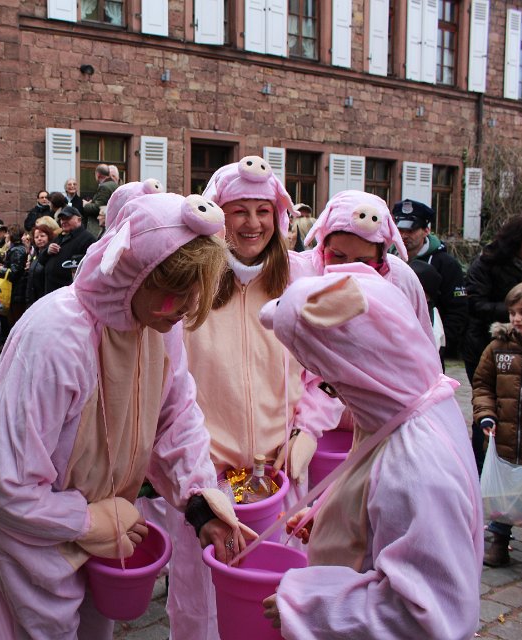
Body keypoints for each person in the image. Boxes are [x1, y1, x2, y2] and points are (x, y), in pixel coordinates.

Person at [0, 192, 255, 638]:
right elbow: (3, 484)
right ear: (132, 273)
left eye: (195, 291)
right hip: (35, 540)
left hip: (106, 531)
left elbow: (177, 416)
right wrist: (86, 520)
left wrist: (202, 503)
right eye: (176, 292)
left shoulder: (158, 325)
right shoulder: (57, 336)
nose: (187, 306)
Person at [158, 157, 337, 639]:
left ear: (278, 217)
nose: (252, 223)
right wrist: (192, 476)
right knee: (199, 605)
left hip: (277, 479)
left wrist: (307, 430)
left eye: (263, 210)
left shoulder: (301, 279)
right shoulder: (193, 284)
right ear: (219, 215)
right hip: (207, 483)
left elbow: (326, 374)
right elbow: (166, 388)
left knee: (275, 602)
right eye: (239, 210)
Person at [259, 266, 482, 638]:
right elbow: (377, 491)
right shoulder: (415, 401)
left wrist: (308, 605)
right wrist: (336, 514)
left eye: (328, 376)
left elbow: (428, 617)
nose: (333, 391)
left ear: (354, 367)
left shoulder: (415, 467)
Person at [471, 281, 522, 567]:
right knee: (505, 489)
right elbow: (482, 384)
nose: (516, 318)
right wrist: (486, 414)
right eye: (512, 312)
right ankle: (500, 541)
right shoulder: (498, 348)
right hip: (506, 433)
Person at [464, 214, 522, 471]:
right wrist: (520, 312)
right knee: (490, 408)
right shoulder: (487, 263)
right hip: (489, 343)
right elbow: (475, 303)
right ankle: (482, 468)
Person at [303, 190, 432, 339]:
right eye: (338, 255)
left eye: (363, 261)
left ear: (381, 257)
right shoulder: (300, 272)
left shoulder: (401, 278)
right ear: (322, 246)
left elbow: (423, 342)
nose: (348, 268)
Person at [393, 199, 468, 358]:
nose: (404, 236)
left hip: (431, 348)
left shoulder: (446, 264)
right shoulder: (386, 258)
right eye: (400, 230)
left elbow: (457, 310)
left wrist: (440, 346)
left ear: (426, 230)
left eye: (411, 230)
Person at [40, 206, 95, 295]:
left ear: (79, 220)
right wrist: (47, 252)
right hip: (52, 292)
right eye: (62, 219)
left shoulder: (88, 239)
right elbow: (41, 261)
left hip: (70, 294)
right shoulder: (59, 238)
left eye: (67, 218)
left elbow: (91, 269)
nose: (63, 221)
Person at [0, 224, 27, 328]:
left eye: (8, 233)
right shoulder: (18, 249)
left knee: (15, 320)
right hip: (16, 291)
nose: (6, 235)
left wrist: (0, 269)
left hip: (17, 291)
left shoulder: (16, 250)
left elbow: (14, 272)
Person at [25, 216, 59, 307]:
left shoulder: (51, 253)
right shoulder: (35, 254)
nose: (39, 239)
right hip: (33, 299)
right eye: (36, 237)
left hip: (45, 299)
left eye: (42, 236)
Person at [81, 164, 118, 237]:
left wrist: (86, 205)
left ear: (98, 175)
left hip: (99, 226)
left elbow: (98, 207)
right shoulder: (114, 184)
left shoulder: (104, 187)